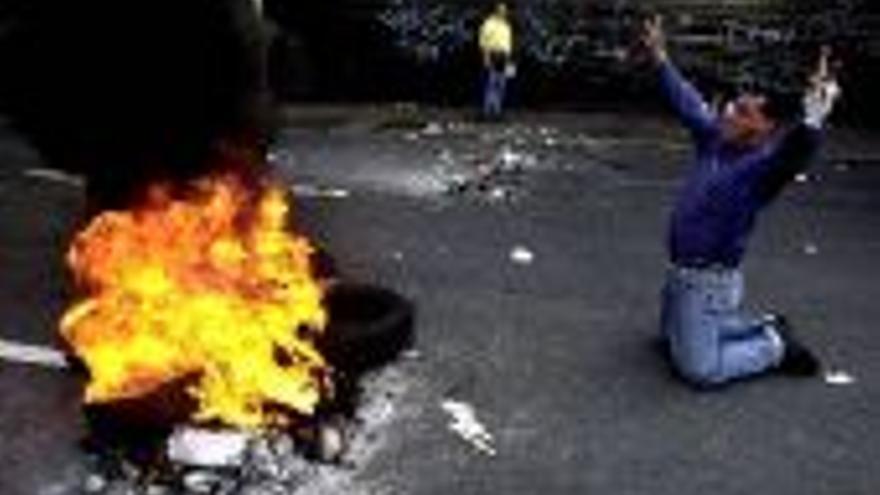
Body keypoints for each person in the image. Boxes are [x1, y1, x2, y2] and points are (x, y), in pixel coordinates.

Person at [640, 15, 842, 387]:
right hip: (682, 276)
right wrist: (660, 59)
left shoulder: (759, 169)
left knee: (699, 370)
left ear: (762, 129)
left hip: (706, 282)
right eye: (732, 107)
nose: (728, 113)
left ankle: (775, 346)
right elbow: (687, 102)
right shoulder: (714, 139)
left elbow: (792, 153)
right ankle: (754, 324)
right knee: (669, 342)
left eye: (741, 111)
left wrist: (815, 113)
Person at [479, 3, 514, 119]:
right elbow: (484, 41)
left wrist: (509, 60)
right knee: (491, 83)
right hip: (493, 54)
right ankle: (487, 111)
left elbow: (508, 44)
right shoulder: (489, 24)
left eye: (504, 10)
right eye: (500, 10)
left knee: (501, 84)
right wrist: (486, 56)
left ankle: (497, 112)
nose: (503, 12)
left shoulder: (506, 26)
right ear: (495, 11)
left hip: (504, 56)